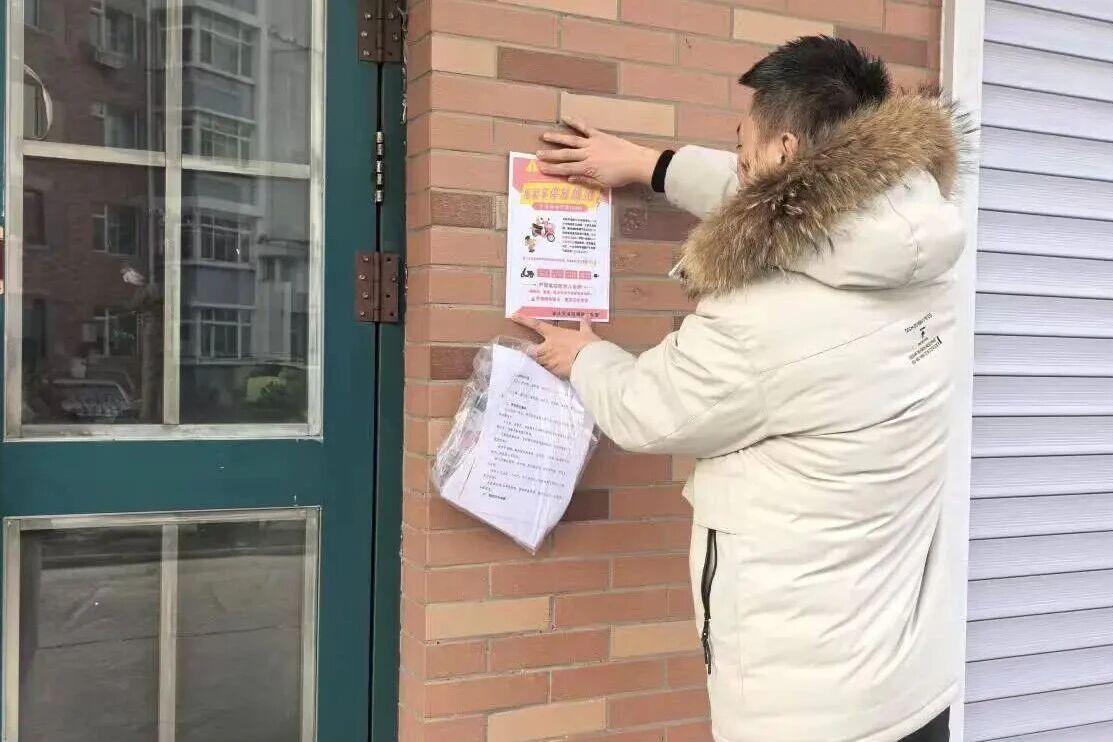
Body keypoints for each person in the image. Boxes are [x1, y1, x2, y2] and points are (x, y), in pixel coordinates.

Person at [513, 36, 966, 742]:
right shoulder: (915, 244)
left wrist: (586, 357)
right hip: (910, 685)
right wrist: (650, 166)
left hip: (806, 712)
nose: (738, 162)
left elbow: (647, 411)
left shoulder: (765, 321)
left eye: (742, 145)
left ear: (784, 150)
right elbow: (790, 208)